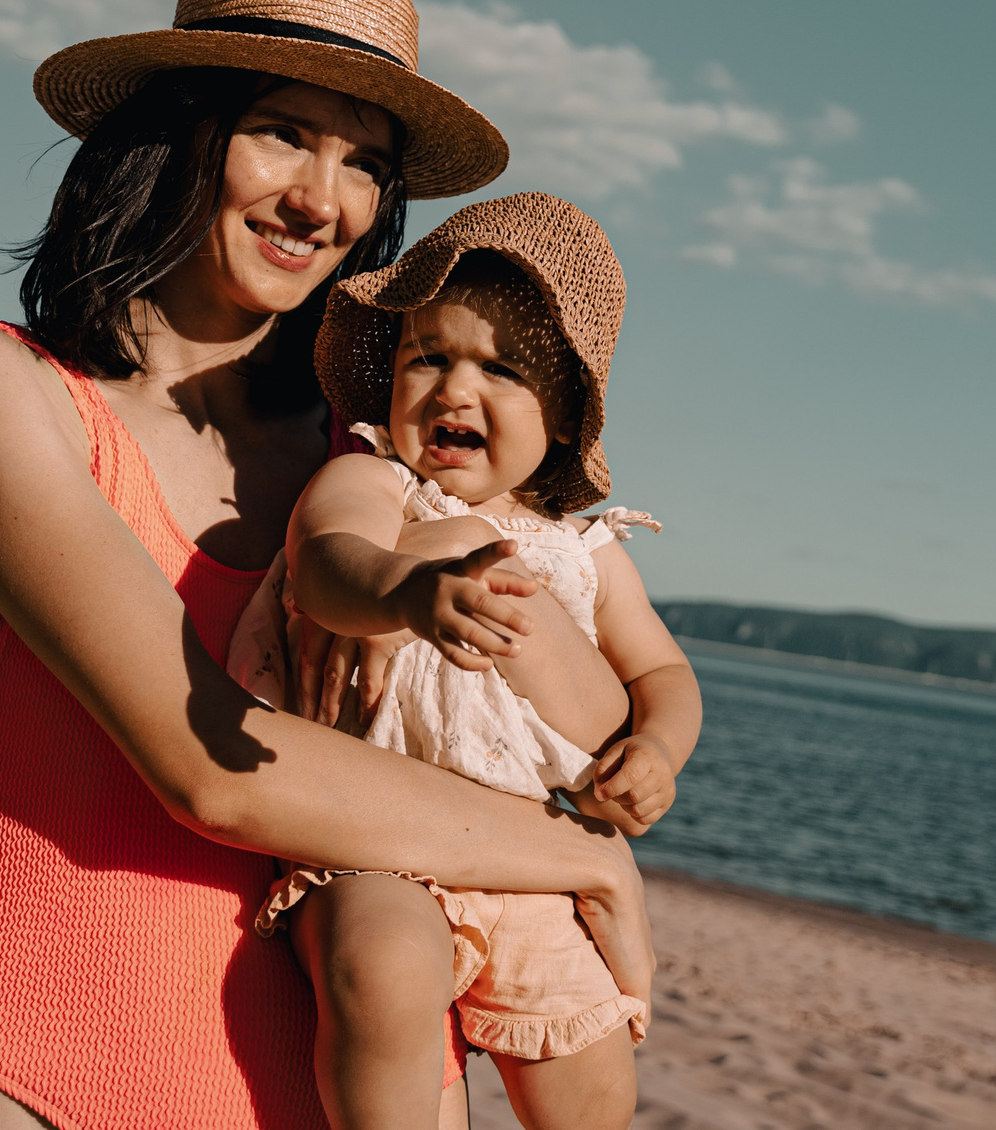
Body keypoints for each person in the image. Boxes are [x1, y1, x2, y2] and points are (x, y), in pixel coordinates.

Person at [0, 0, 650, 1130]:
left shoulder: (376, 466)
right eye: (283, 133)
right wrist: (576, 861)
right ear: (174, 134)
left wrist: (604, 763)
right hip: (51, 1083)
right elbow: (210, 771)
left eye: (366, 167)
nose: (322, 201)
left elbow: (582, 734)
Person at [228, 194, 701, 1130]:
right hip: (376, 838)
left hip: (525, 854)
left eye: (501, 369)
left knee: (590, 1052)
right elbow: (328, 564)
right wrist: (406, 591)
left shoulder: (584, 550)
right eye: (428, 356)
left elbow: (664, 675)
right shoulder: (374, 481)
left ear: (563, 417)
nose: (454, 389)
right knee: (383, 971)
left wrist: (656, 754)